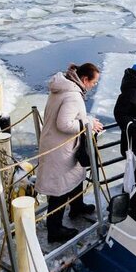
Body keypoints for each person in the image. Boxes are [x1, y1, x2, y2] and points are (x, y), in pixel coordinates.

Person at [35, 63, 104, 243]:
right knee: (59, 187)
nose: (94, 86)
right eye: (94, 82)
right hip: (60, 148)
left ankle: (77, 206)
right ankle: (54, 229)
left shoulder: (65, 85)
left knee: (74, 175)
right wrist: (88, 124)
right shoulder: (73, 95)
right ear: (84, 79)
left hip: (58, 144)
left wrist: (86, 120)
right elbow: (64, 124)